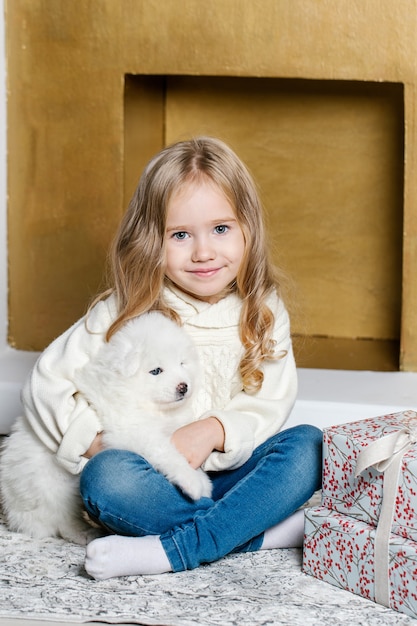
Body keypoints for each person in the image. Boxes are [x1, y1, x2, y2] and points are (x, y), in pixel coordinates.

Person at [24, 136, 322, 579]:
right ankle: (255, 533)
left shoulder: (262, 309)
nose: (203, 252)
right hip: (151, 483)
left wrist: (214, 429)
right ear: (151, 240)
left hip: (224, 476)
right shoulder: (125, 310)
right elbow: (45, 384)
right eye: (180, 235)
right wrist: (96, 441)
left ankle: (172, 549)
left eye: (221, 229)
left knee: (310, 446)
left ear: (248, 229)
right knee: (106, 479)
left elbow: (270, 404)